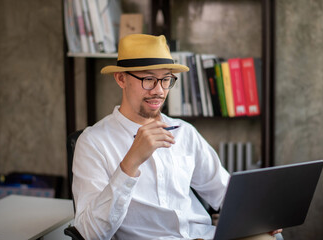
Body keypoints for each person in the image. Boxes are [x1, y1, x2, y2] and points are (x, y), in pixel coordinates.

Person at [72, 34, 282, 240]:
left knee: (269, 237)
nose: (159, 91)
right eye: (148, 79)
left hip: (201, 236)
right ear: (121, 78)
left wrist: (259, 215)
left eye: (165, 80)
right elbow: (90, 234)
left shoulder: (184, 132)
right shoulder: (93, 143)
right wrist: (130, 163)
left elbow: (222, 191)